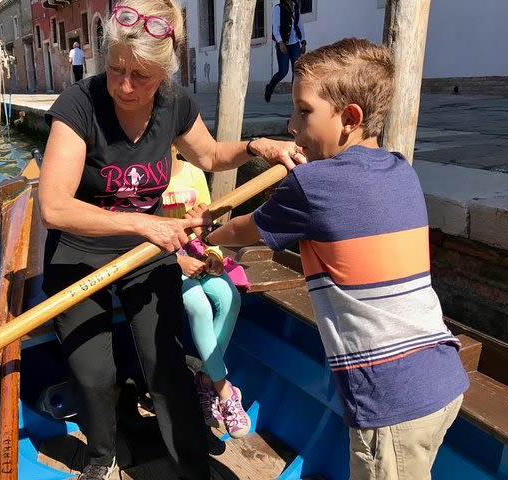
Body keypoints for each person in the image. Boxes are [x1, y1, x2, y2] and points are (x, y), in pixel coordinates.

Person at [37, 0, 304, 477]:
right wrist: (143, 223)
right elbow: (54, 207)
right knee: (93, 376)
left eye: (140, 76)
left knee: (166, 366)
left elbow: (212, 155)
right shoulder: (79, 104)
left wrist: (257, 146)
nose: (124, 85)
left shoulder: (175, 103)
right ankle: (101, 457)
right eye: (116, 69)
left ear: (165, 71)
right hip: (80, 250)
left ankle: (192, 466)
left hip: (145, 251)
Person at [188, 38, 469, 480]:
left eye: (304, 112)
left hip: (389, 399)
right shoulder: (400, 170)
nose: (291, 124)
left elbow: (246, 229)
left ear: (350, 118)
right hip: (442, 378)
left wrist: (206, 229)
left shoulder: (312, 186)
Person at [162, 147, 248, 438]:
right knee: (198, 304)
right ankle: (225, 391)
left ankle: (205, 380)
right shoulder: (147, 180)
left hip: (196, 252)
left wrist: (212, 253)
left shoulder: (194, 173)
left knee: (229, 297)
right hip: (164, 256)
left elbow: (206, 226)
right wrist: (177, 261)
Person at [264, 0, 306, 103]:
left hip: (295, 43)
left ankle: (294, 98)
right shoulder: (278, 8)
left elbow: (300, 25)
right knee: (283, 72)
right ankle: (270, 87)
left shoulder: (296, 7)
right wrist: (280, 42)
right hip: (283, 43)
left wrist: (303, 41)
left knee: (296, 71)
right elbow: (275, 28)